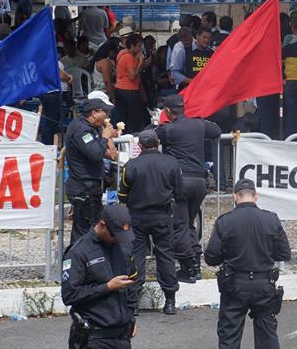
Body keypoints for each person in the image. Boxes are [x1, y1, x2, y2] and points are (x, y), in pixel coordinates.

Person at [205, 178, 291, 349]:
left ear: (235, 197)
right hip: (263, 283)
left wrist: (228, 254)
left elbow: (211, 257)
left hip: (234, 284)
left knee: (229, 335)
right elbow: (284, 253)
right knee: (267, 334)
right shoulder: (271, 219)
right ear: (256, 196)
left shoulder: (225, 221)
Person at [61, 204, 139, 349]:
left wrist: (132, 316)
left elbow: (131, 283)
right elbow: (69, 295)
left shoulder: (123, 246)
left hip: (121, 339)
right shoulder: (79, 251)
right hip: (92, 340)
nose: (118, 239)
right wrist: (107, 287)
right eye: (115, 235)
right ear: (102, 225)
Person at [156, 94, 222, 283]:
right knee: (187, 223)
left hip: (180, 182)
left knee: (179, 225)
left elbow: (148, 136)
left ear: (168, 112)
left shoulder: (168, 129)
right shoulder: (198, 125)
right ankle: (195, 264)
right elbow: (216, 130)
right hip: (200, 182)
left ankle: (188, 267)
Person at [117, 130, 183, 316]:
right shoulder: (171, 163)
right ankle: (170, 300)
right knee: (166, 255)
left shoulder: (131, 165)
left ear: (140, 146)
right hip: (162, 215)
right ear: (158, 142)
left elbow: (122, 195)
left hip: (137, 216)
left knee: (136, 256)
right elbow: (179, 192)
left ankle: (133, 302)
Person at [64, 97, 119, 244]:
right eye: (105, 112)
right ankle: (79, 262)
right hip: (83, 186)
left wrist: (108, 138)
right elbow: (95, 154)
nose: (108, 116)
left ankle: (82, 261)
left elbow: (109, 154)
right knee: (86, 230)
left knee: (89, 226)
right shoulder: (81, 130)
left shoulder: (93, 127)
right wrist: (104, 137)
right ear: (94, 113)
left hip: (91, 185)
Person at [114, 33, 147, 134]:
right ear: (132, 45)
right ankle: (131, 136)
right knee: (133, 119)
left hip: (119, 88)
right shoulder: (129, 57)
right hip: (130, 91)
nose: (140, 48)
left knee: (122, 117)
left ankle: (121, 136)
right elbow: (132, 76)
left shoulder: (121, 53)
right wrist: (140, 63)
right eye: (138, 46)